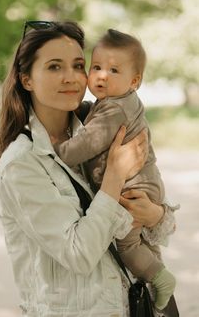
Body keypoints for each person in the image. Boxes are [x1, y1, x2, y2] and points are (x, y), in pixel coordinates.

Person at [0, 21, 177, 317]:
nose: (71, 77)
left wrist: (155, 214)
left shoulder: (99, 127)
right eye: (54, 67)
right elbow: (78, 254)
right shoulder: (22, 163)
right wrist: (114, 177)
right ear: (26, 79)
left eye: (79, 65)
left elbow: (155, 222)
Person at [54, 29, 176, 310]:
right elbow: (94, 113)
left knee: (128, 244)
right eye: (96, 67)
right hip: (142, 182)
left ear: (134, 81)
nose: (101, 75)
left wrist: (58, 152)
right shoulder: (113, 103)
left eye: (113, 70)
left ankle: (160, 277)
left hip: (135, 189)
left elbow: (86, 143)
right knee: (139, 241)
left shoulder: (115, 110)